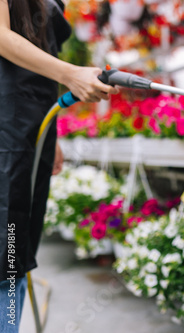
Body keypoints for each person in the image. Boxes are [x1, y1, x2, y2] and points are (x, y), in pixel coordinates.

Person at [0, 0, 118, 331]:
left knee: (18, 250)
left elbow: (35, 68)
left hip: (30, 132)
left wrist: (50, 133)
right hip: (6, 132)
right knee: (7, 255)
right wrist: (70, 73)